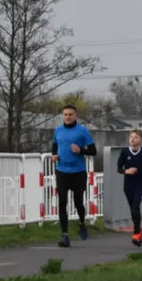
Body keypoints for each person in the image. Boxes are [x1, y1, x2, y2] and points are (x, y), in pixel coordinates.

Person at [51, 104, 97, 247]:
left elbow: (93, 151)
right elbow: (54, 145)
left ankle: (82, 223)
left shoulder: (82, 131)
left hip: (78, 172)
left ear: (75, 116)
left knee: (78, 203)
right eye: (65, 114)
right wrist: (54, 155)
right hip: (62, 171)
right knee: (62, 202)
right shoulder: (58, 130)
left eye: (70, 114)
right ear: (62, 116)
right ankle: (64, 235)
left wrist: (81, 150)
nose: (68, 117)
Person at [116, 129, 142, 246]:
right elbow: (118, 168)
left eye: (135, 137)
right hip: (128, 185)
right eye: (131, 137)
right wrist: (126, 171)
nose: (132, 139)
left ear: (140, 140)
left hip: (140, 184)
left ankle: (136, 233)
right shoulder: (124, 152)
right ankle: (139, 231)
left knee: (136, 205)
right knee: (133, 209)